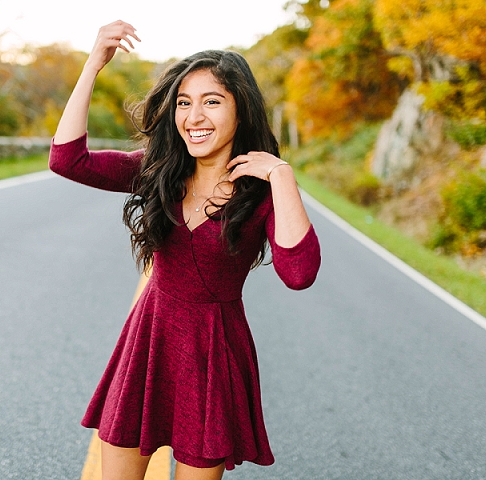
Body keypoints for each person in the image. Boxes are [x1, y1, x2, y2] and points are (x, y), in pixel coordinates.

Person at [49, 20, 321, 480]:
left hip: (213, 356)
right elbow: (67, 159)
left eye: (212, 102)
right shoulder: (158, 172)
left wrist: (281, 176)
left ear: (241, 111)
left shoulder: (261, 194)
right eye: (184, 103)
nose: (194, 117)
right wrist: (94, 63)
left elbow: (300, 273)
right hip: (148, 344)